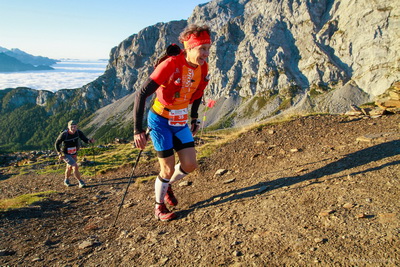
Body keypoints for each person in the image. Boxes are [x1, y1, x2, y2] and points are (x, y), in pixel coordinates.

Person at [133, 24, 212, 221]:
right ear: (190, 47)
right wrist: (137, 130)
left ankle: (166, 185)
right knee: (167, 168)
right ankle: (159, 207)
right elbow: (142, 93)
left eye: (208, 48)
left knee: (190, 164)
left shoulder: (203, 68)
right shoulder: (171, 64)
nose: (206, 54)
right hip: (160, 120)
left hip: (180, 121)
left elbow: (198, 92)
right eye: (202, 48)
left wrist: (194, 117)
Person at [55, 120, 95, 188]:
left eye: (74, 127)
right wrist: (59, 153)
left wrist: (89, 141)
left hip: (74, 152)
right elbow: (56, 144)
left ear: (76, 127)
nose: (73, 128)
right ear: (68, 127)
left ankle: (66, 180)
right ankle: (80, 182)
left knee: (69, 167)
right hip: (65, 153)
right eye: (71, 127)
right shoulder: (64, 134)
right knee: (75, 166)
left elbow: (84, 139)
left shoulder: (78, 132)